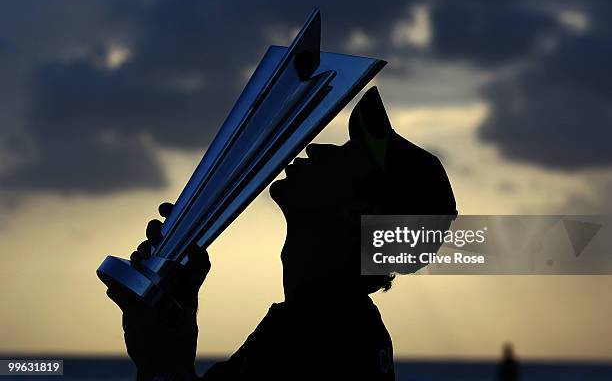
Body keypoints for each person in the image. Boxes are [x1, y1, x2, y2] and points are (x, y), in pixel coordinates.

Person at [107, 86, 457, 380]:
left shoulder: (320, 335)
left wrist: (161, 363)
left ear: (357, 212)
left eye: (349, 153)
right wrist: (172, 338)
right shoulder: (333, 324)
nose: (316, 148)